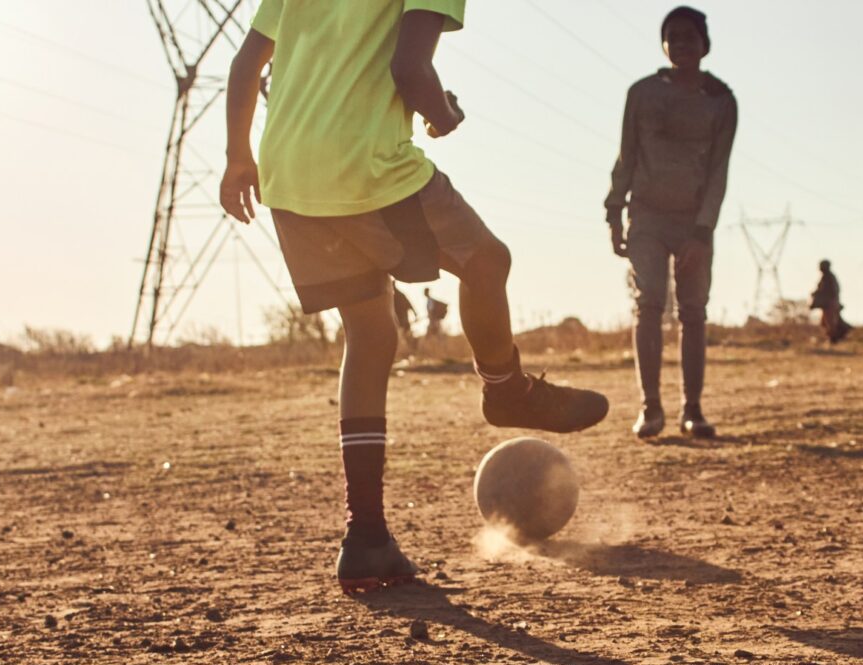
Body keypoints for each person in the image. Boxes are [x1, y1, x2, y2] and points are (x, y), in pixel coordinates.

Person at [220, 0, 609, 593]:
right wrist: (443, 111)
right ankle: (507, 390)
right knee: (486, 260)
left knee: (372, 337)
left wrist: (236, 157)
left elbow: (249, 62)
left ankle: (366, 535)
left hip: (290, 172)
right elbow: (410, 68)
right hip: (366, 166)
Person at [606, 6, 737, 441]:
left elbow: (719, 171)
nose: (681, 44)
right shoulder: (640, 93)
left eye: (690, 37)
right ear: (664, 44)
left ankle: (693, 411)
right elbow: (627, 155)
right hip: (646, 214)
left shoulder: (721, 101)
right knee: (649, 303)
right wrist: (613, 209)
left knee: (694, 312)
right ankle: (651, 408)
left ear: (704, 45)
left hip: (693, 221)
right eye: (673, 37)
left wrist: (703, 231)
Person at [810, 259, 852, 344]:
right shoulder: (825, 277)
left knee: (831, 324)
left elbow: (830, 291)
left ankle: (834, 340)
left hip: (830, 305)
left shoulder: (829, 278)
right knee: (825, 323)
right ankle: (833, 339)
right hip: (828, 305)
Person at [391, 283, 417, 352]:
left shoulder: (396, 296)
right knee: (405, 336)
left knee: (403, 335)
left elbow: (409, 305)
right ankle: (408, 350)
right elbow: (409, 305)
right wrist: (415, 314)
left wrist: (415, 313)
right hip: (400, 320)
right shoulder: (398, 295)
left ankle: (409, 351)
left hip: (401, 320)